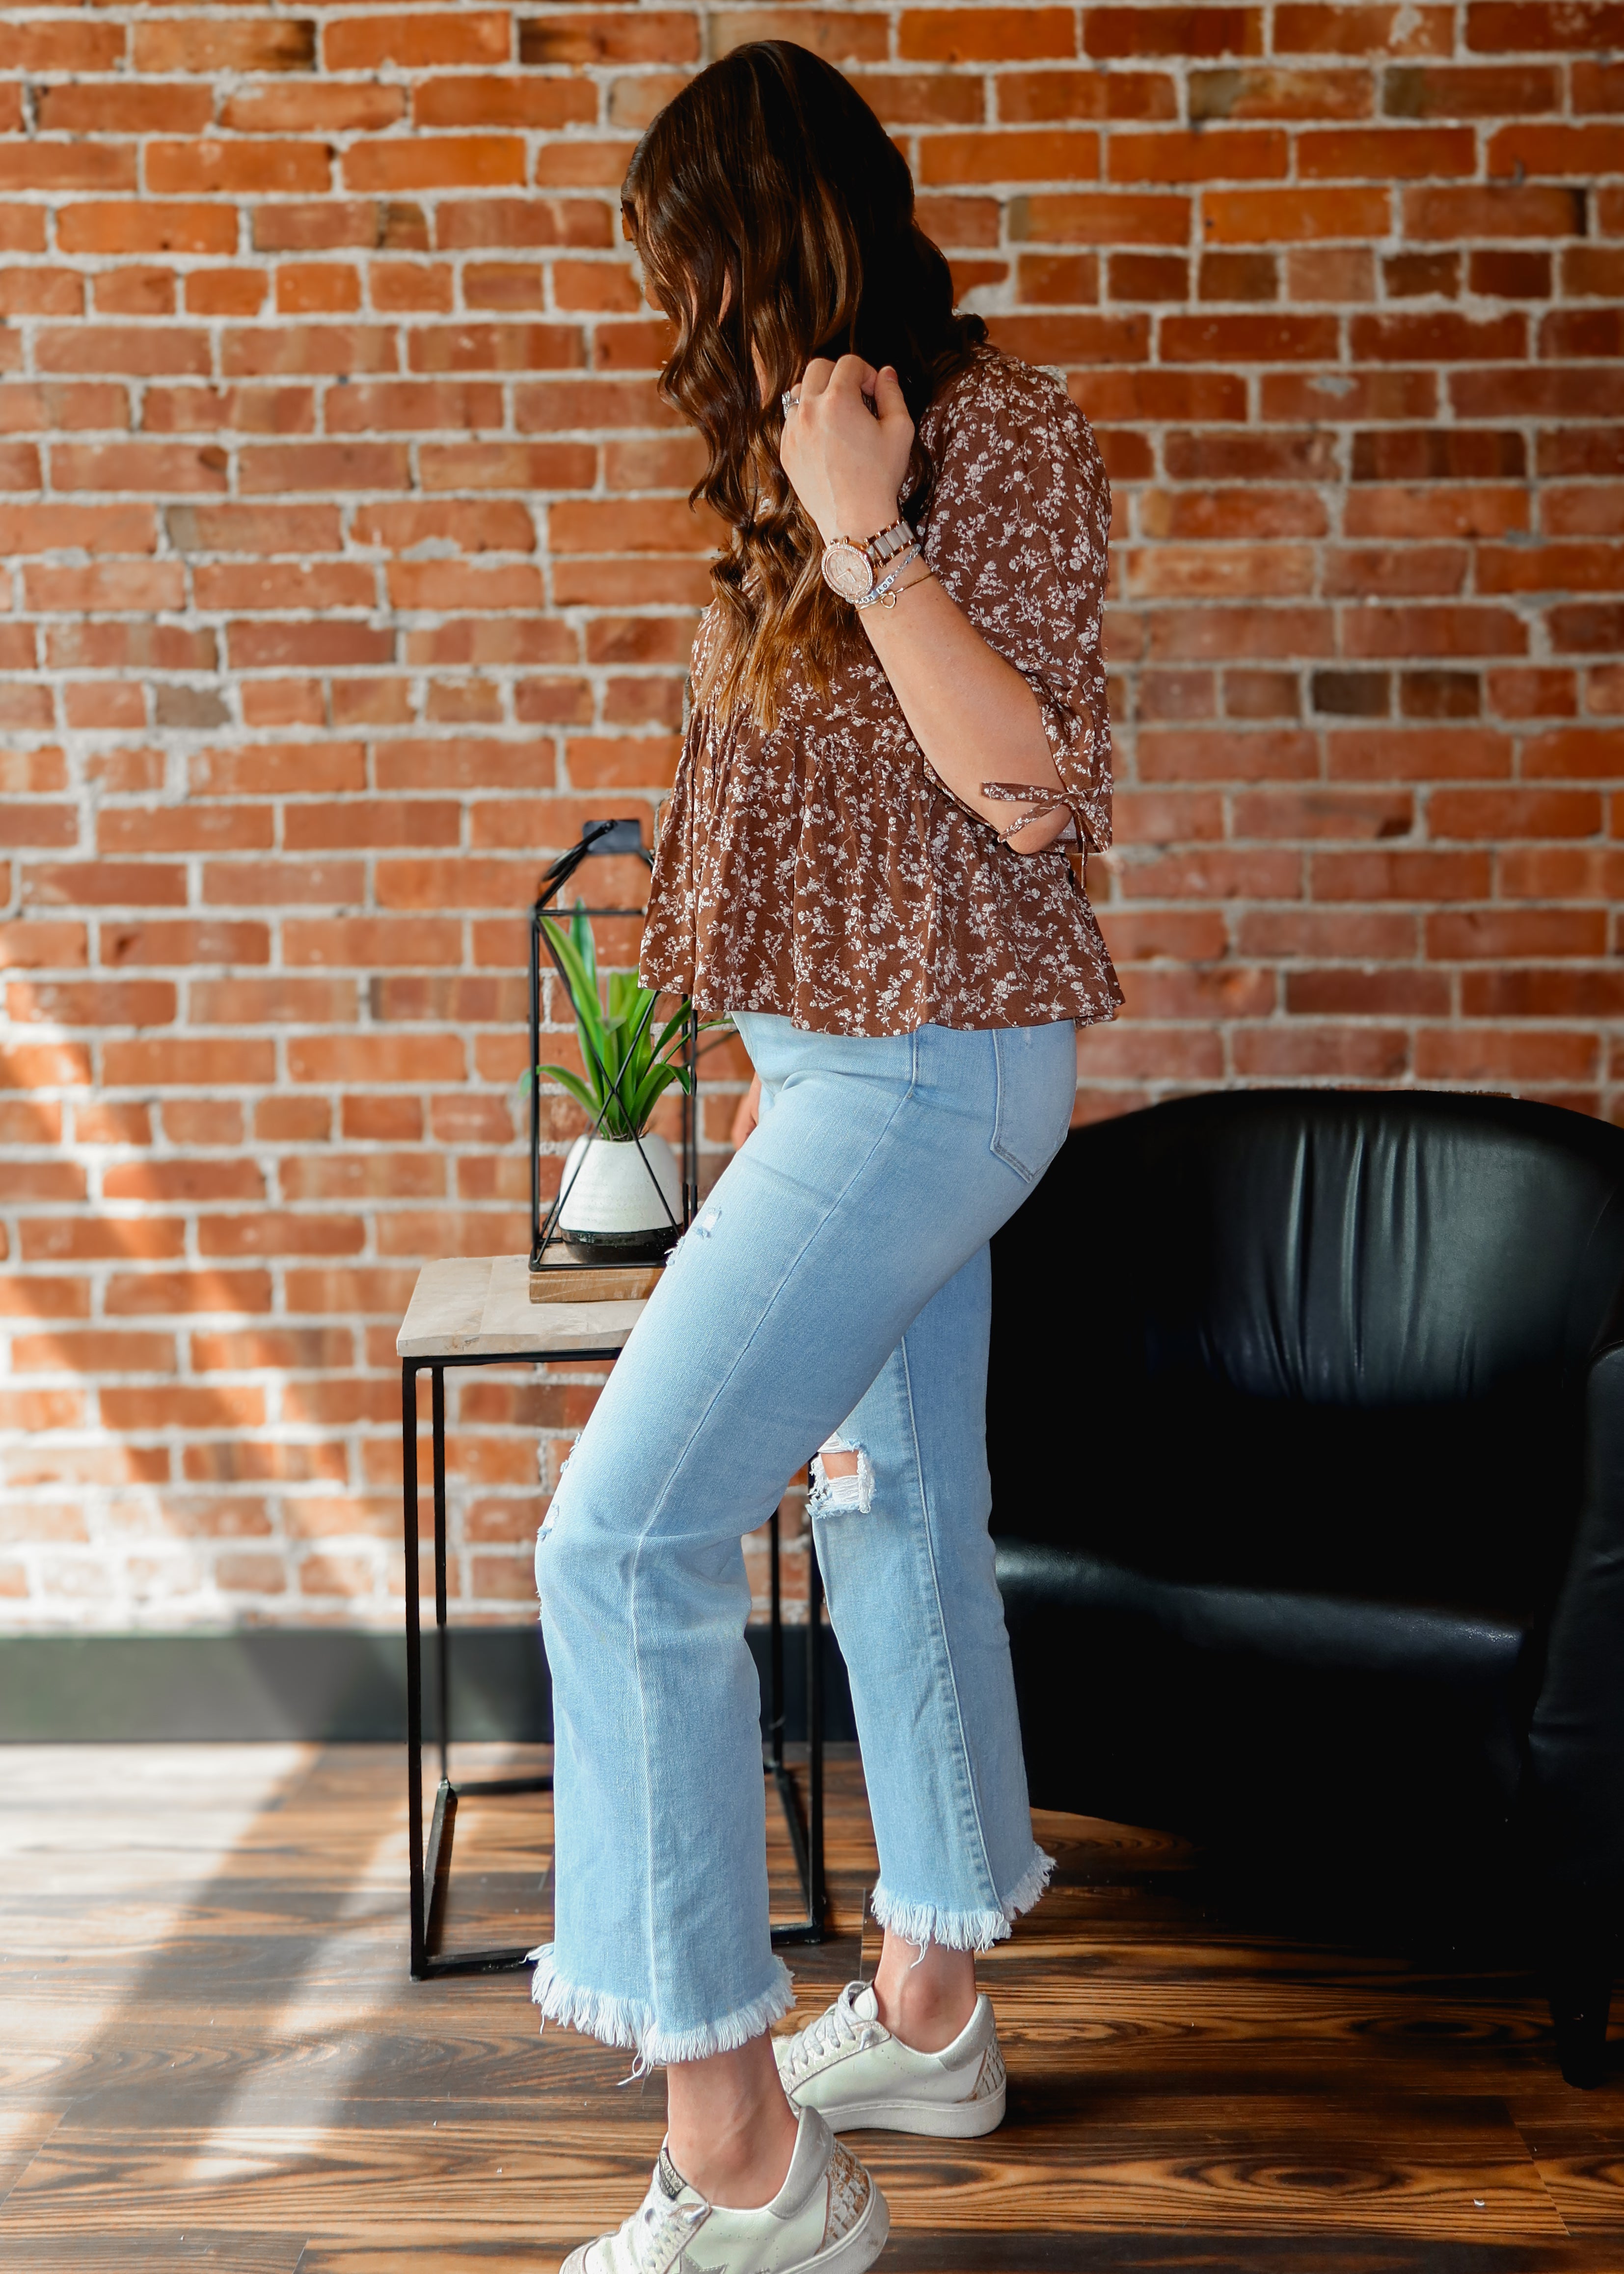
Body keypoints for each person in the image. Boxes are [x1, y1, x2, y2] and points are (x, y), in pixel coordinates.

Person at [533, 40, 1121, 2274]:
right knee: (897, 1517)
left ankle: (747, 2166)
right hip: (843, 1079)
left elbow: (1030, 793)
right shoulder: (795, 457)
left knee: (619, 1550)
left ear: (757, 233)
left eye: (676, 263)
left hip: (924, 1080)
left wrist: (876, 533)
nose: (664, 313)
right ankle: (931, 2018)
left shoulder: (991, 436)